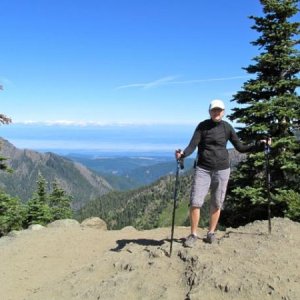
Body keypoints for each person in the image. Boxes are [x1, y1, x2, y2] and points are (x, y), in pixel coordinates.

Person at [175, 99, 268, 247]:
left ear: (223, 112)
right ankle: (193, 234)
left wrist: (259, 145)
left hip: (222, 169)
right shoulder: (202, 126)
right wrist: (183, 154)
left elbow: (240, 147)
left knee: (217, 203)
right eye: (214, 110)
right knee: (195, 202)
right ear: (209, 111)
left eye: (219, 110)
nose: (216, 112)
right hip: (203, 169)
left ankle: (211, 233)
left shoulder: (227, 127)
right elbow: (192, 146)